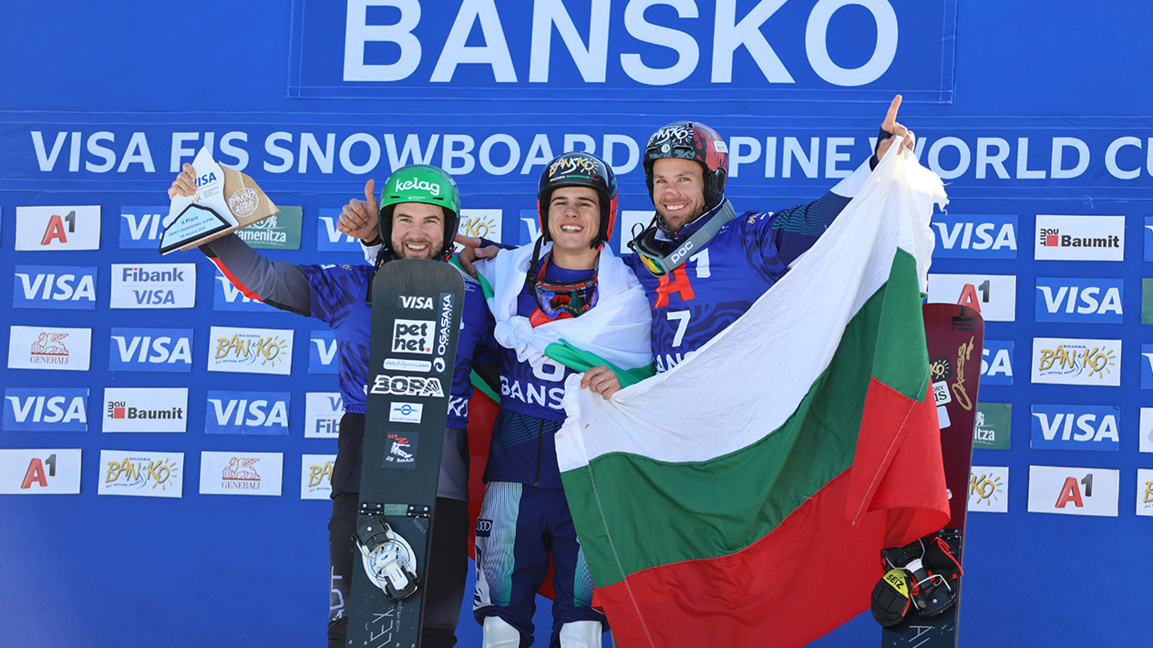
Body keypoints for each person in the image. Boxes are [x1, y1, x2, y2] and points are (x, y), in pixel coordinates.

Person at [168, 163, 494, 648]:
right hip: (363, 478)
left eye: (432, 220)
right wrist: (202, 218)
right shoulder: (348, 285)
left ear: (450, 228)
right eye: (405, 219)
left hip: (443, 486)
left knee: (431, 637)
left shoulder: (479, 297)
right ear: (387, 226)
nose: (418, 233)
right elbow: (263, 277)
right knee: (353, 633)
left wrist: (496, 261)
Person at [358, 152, 651, 648]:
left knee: (582, 629)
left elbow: (667, 368)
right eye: (561, 202)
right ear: (543, 212)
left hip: (593, 475)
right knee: (500, 629)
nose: (573, 214)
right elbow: (418, 278)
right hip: (512, 474)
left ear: (607, 215)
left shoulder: (636, 291)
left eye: (586, 203)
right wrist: (373, 240)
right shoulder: (503, 273)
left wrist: (629, 379)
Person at [578, 95, 917, 398]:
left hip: (740, 429)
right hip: (668, 433)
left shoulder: (752, 239)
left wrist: (877, 165)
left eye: (684, 179)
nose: (671, 193)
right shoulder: (641, 265)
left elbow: (818, 220)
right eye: (661, 181)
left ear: (712, 183)